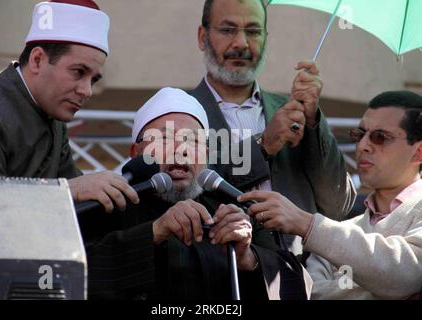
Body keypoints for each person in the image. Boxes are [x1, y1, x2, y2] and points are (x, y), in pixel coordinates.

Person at [82, 87, 312, 300]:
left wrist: (247, 258)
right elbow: (74, 276)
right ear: (135, 153)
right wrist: (155, 232)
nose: (181, 150)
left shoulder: (235, 209)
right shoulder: (108, 207)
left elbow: (299, 286)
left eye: (192, 140)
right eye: (164, 138)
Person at [189, 0, 356, 254]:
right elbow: (185, 188)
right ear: (203, 37)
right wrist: (263, 145)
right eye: (227, 30)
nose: (241, 44)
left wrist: (313, 124)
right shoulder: (181, 112)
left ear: (265, 39)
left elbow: (337, 205)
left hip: (297, 276)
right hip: (221, 271)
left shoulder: (293, 111)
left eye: (253, 31)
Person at [238, 91, 422, 299]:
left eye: (380, 137)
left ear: (418, 152)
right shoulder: (342, 228)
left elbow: (405, 274)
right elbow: (313, 293)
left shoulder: (326, 233)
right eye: (359, 134)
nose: (362, 146)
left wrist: (306, 223)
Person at [0, 0, 138, 212]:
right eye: (78, 72)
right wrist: (67, 190)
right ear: (38, 60)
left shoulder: (52, 116)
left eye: (93, 79)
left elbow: (80, 212)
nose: (87, 90)